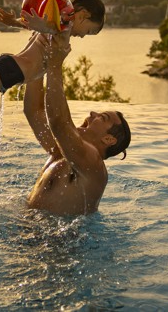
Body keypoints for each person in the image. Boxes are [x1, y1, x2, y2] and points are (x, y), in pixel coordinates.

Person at [25, 33, 131, 215]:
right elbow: (34, 111)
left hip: (59, 243)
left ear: (108, 139)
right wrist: (38, 54)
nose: (92, 113)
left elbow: (59, 123)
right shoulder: (61, 150)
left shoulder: (93, 163)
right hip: (30, 235)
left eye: (102, 117)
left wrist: (54, 63)